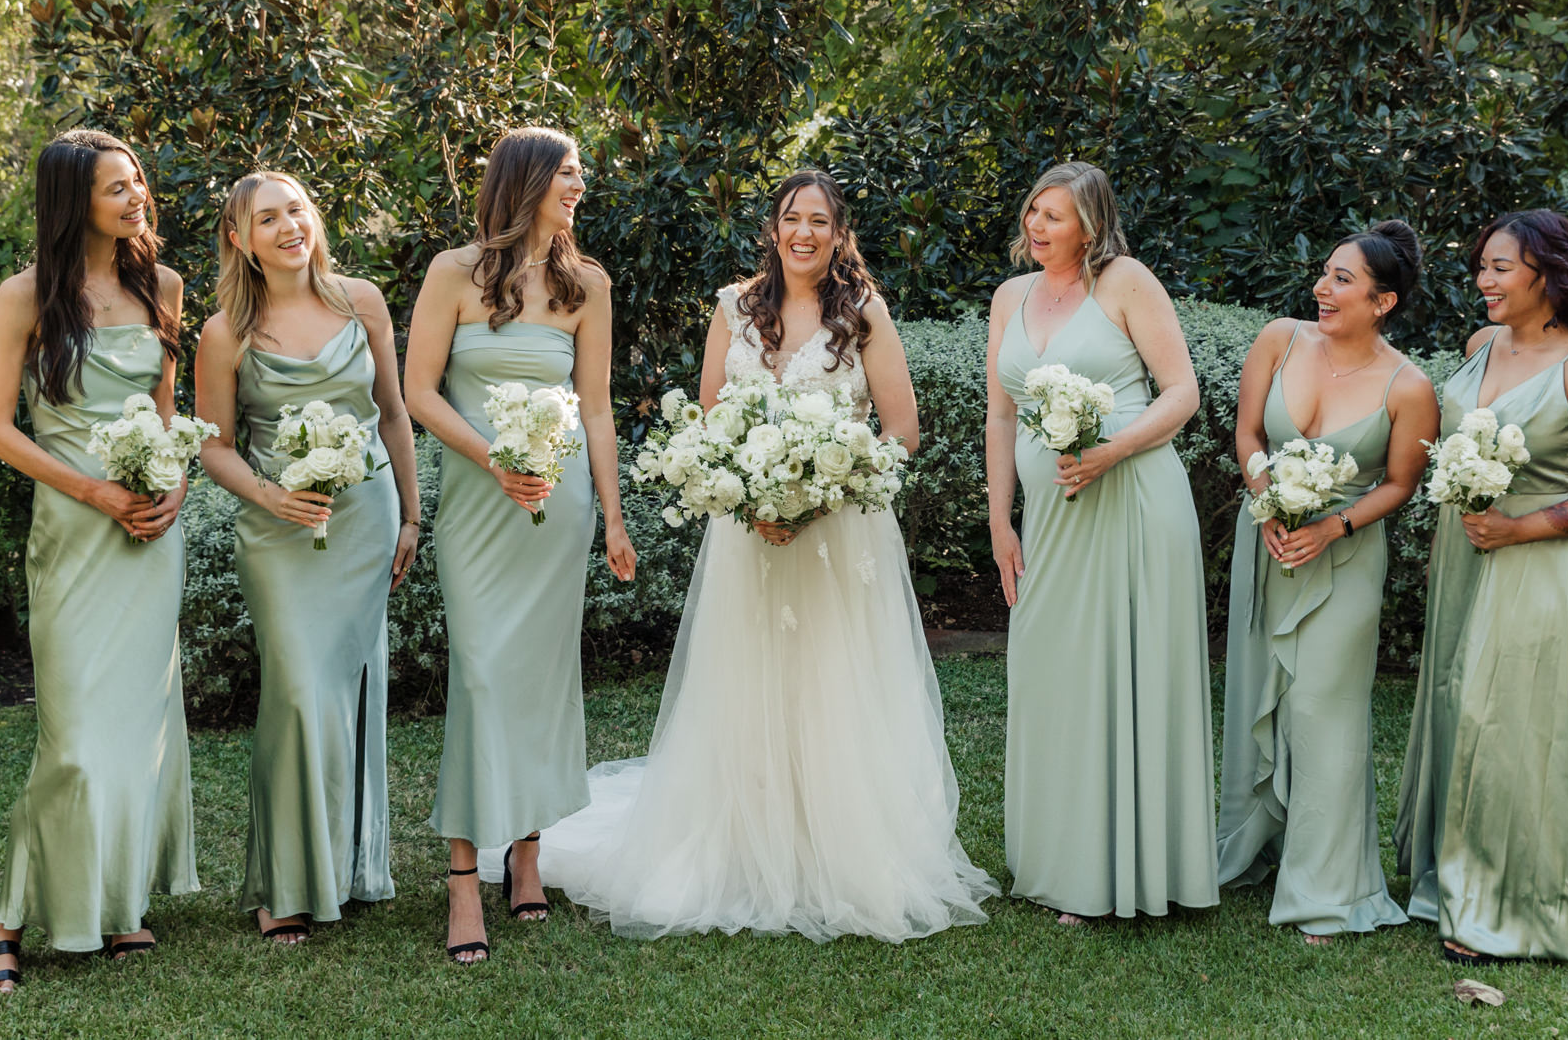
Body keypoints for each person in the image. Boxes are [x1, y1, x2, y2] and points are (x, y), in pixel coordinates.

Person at [530, 170, 997, 942]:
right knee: (748, 684)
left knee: (831, 682)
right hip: (749, 536)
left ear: (839, 232)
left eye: (819, 220)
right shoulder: (733, 308)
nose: (804, 232)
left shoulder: (864, 313)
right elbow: (712, 420)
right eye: (791, 218)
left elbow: (902, 430)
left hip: (839, 535)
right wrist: (751, 495)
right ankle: (746, 844)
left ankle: (832, 850)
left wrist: (823, 490)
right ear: (773, 230)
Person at [1394, 208, 1568, 963]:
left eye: (1500, 267)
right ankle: (1453, 877)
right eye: (1482, 265)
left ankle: (1509, 904)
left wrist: (1521, 527)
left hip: (1541, 557)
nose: (1484, 279)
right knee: (1457, 697)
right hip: (1466, 552)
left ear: (1548, 271)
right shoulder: (1480, 345)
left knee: (1508, 723)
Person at [403, 126, 636, 964]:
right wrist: (491, 455)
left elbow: (598, 407)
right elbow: (417, 391)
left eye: (581, 173)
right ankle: (464, 875)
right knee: (483, 675)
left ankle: (527, 852)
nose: (579, 184)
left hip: (557, 506)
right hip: (479, 503)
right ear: (526, 179)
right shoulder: (452, 273)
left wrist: (612, 514)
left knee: (538, 677)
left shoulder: (589, 285)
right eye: (566, 173)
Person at [0, 129, 195, 992]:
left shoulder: (162, 286)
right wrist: (94, 492)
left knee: (139, 727)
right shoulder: (24, 297)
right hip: (72, 534)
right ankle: (11, 920)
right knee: (71, 737)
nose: (137, 195)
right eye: (115, 187)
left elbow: (172, 413)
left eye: (137, 179)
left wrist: (171, 490)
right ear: (73, 202)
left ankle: (121, 900)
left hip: (148, 538)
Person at [986, 161, 1217, 923]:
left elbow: (1182, 390)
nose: (1037, 225)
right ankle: (1061, 858)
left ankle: (1135, 869)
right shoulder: (1009, 297)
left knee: (1126, 669)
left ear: (1091, 222)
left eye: (1054, 215)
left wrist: (1112, 448)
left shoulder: (1125, 282)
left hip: (1133, 501)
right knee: (1054, 668)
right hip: (1049, 521)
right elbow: (1002, 417)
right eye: (1033, 211)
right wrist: (1000, 521)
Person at [195, 172, 418, 945]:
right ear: (241, 238)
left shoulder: (364, 301)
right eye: (267, 218)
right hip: (279, 531)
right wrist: (269, 494)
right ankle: (287, 880)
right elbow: (213, 448)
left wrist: (413, 514)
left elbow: (391, 412)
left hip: (364, 518)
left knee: (350, 689)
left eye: (296, 209)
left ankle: (349, 867)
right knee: (295, 691)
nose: (289, 225)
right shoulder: (225, 331)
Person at [1216, 223, 1437, 940]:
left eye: (1343, 279)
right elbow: (1249, 435)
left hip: (1344, 556)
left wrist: (1331, 527)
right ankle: (1258, 846)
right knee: (1263, 694)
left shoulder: (1409, 385)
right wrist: (1269, 497)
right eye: (1325, 272)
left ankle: (1327, 889)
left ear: (1384, 300)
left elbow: (1402, 481)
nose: (1322, 287)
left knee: (1325, 709)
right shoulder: (1279, 339)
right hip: (1271, 542)